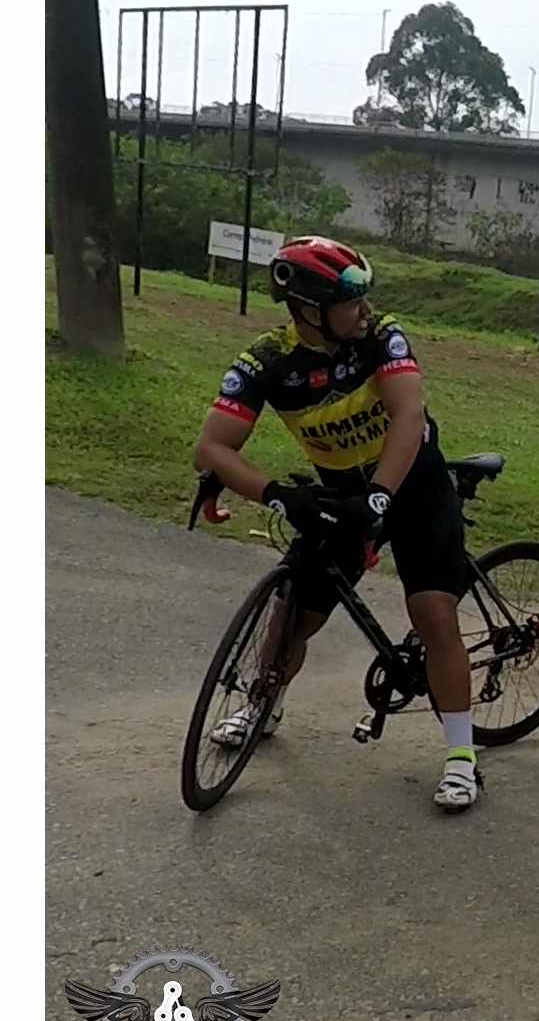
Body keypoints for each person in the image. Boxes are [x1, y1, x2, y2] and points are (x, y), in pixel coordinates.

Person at [192, 237, 483, 811]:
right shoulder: (268, 360)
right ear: (309, 310)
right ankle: (261, 704)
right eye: (351, 302)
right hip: (344, 492)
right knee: (292, 616)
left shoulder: (381, 336)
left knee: (433, 613)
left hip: (413, 484)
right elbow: (212, 447)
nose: (365, 309)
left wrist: (380, 496)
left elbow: (408, 413)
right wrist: (276, 494)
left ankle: (461, 757)